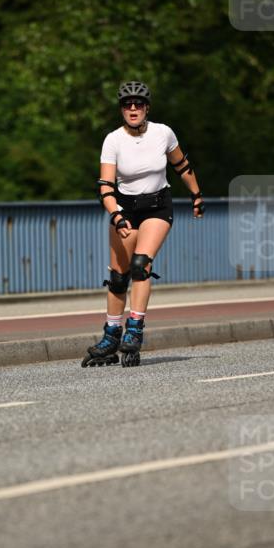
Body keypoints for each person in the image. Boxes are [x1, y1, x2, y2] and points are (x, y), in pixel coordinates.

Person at [82, 80, 204, 367]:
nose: (133, 108)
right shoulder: (113, 140)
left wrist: (196, 195)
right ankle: (111, 335)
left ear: (147, 108)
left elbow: (182, 165)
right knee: (118, 277)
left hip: (158, 207)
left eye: (139, 104)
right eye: (127, 104)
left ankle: (134, 329)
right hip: (125, 210)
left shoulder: (163, 133)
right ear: (121, 110)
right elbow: (105, 186)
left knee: (140, 265)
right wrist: (116, 215)